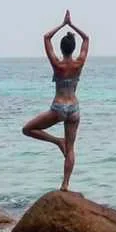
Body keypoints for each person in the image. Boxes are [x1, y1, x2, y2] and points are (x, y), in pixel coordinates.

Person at [22, 10, 89, 191]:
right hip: (74, 108)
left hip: (59, 108)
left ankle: (57, 141)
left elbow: (46, 37)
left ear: (61, 48)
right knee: (71, 148)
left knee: (27, 129)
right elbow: (86, 39)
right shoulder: (79, 63)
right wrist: (71, 25)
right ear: (73, 48)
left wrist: (62, 24)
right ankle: (65, 184)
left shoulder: (57, 64)